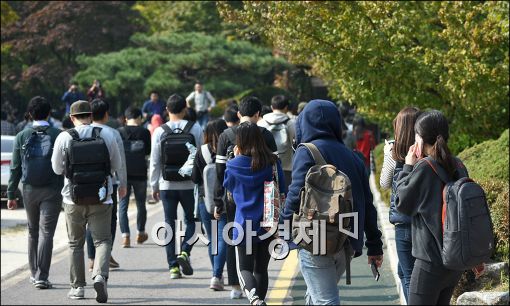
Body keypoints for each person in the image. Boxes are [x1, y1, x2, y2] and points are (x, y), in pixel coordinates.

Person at [281, 100, 384, 305]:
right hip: (347, 240)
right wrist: (374, 246)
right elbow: (367, 203)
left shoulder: (307, 151)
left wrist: (282, 228)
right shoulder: (353, 156)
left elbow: (295, 193)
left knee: (325, 300)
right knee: (317, 295)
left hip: (314, 238)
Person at [51, 100, 126, 302]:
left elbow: (57, 169)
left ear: (72, 118)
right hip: (102, 196)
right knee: (102, 240)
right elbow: (116, 165)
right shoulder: (108, 134)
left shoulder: (64, 137)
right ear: (91, 115)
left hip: (72, 198)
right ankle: (100, 275)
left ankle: (77, 288)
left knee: (75, 243)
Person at [396, 110, 469, 305]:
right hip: (454, 260)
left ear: (420, 139)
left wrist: (408, 167)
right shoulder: (458, 164)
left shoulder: (425, 167)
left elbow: (401, 203)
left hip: (429, 262)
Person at [214, 96, 278, 299]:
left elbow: (221, 176)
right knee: (261, 268)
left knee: (242, 260)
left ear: (239, 114)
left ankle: (236, 287)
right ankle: (259, 299)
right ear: (259, 114)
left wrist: (218, 201)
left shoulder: (225, 137)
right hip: (267, 216)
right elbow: (279, 185)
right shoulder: (267, 140)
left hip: (239, 212)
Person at [223, 122, 286, 305]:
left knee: (244, 269)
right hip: (268, 222)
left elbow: (230, 193)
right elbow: (282, 189)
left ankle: (255, 299)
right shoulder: (273, 163)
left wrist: (235, 158)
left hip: (243, 223)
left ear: (239, 141)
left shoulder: (233, 165)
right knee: (261, 269)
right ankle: (259, 300)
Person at [7, 96, 64, 289]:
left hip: (29, 189)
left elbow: (15, 167)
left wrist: (11, 194)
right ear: (49, 113)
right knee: (47, 233)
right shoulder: (58, 134)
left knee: (33, 231)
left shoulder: (22, 135)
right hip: (52, 189)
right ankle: (42, 276)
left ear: (30, 114)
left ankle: (33, 273)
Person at [149, 94, 203, 279]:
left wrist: (153, 185)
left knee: (169, 223)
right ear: (184, 110)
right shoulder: (195, 128)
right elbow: (200, 157)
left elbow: (155, 161)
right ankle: (185, 251)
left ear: (167, 110)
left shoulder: (159, 131)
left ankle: (173, 267)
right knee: (193, 221)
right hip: (189, 184)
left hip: (167, 184)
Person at [379, 107, 421, 303]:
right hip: (425, 219)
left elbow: (384, 184)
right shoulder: (426, 149)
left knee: (409, 275)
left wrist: (388, 153)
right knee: (404, 272)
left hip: (404, 223)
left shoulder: (394, 152)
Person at [87, 99, 128, 271]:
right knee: (110, 219)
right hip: (108, 183)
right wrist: (123, 183)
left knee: (91, 221)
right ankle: (105, 254)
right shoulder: (113, 133)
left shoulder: (82, 132)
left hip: (87, 182)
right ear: (106, 114)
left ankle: (91, 258)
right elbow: (120, 163)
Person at [191, 119, 229, 291]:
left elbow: (195, 179)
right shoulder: (229, 151)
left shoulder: (201, 151)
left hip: (204, 200)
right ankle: (217, 275)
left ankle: (217, 274)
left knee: (212, 239)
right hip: (222, 200)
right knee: (222, 238)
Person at [117, 107, 151, 248]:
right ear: (139, 118)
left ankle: (125, 236)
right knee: (140, 204)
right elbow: (148, 151)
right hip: (140, 173)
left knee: (123, 206)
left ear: (126, 118)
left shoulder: (119, 132)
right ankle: (140, 233)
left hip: (123, 174)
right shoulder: (144, 132)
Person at [258, 95, 296, 189]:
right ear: (286, 107)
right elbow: (294, 142)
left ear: (271, 107)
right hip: (287, 165)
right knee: (286, 193)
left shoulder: (261, 123)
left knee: (269, 195)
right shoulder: (291, 123)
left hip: (266, 164)